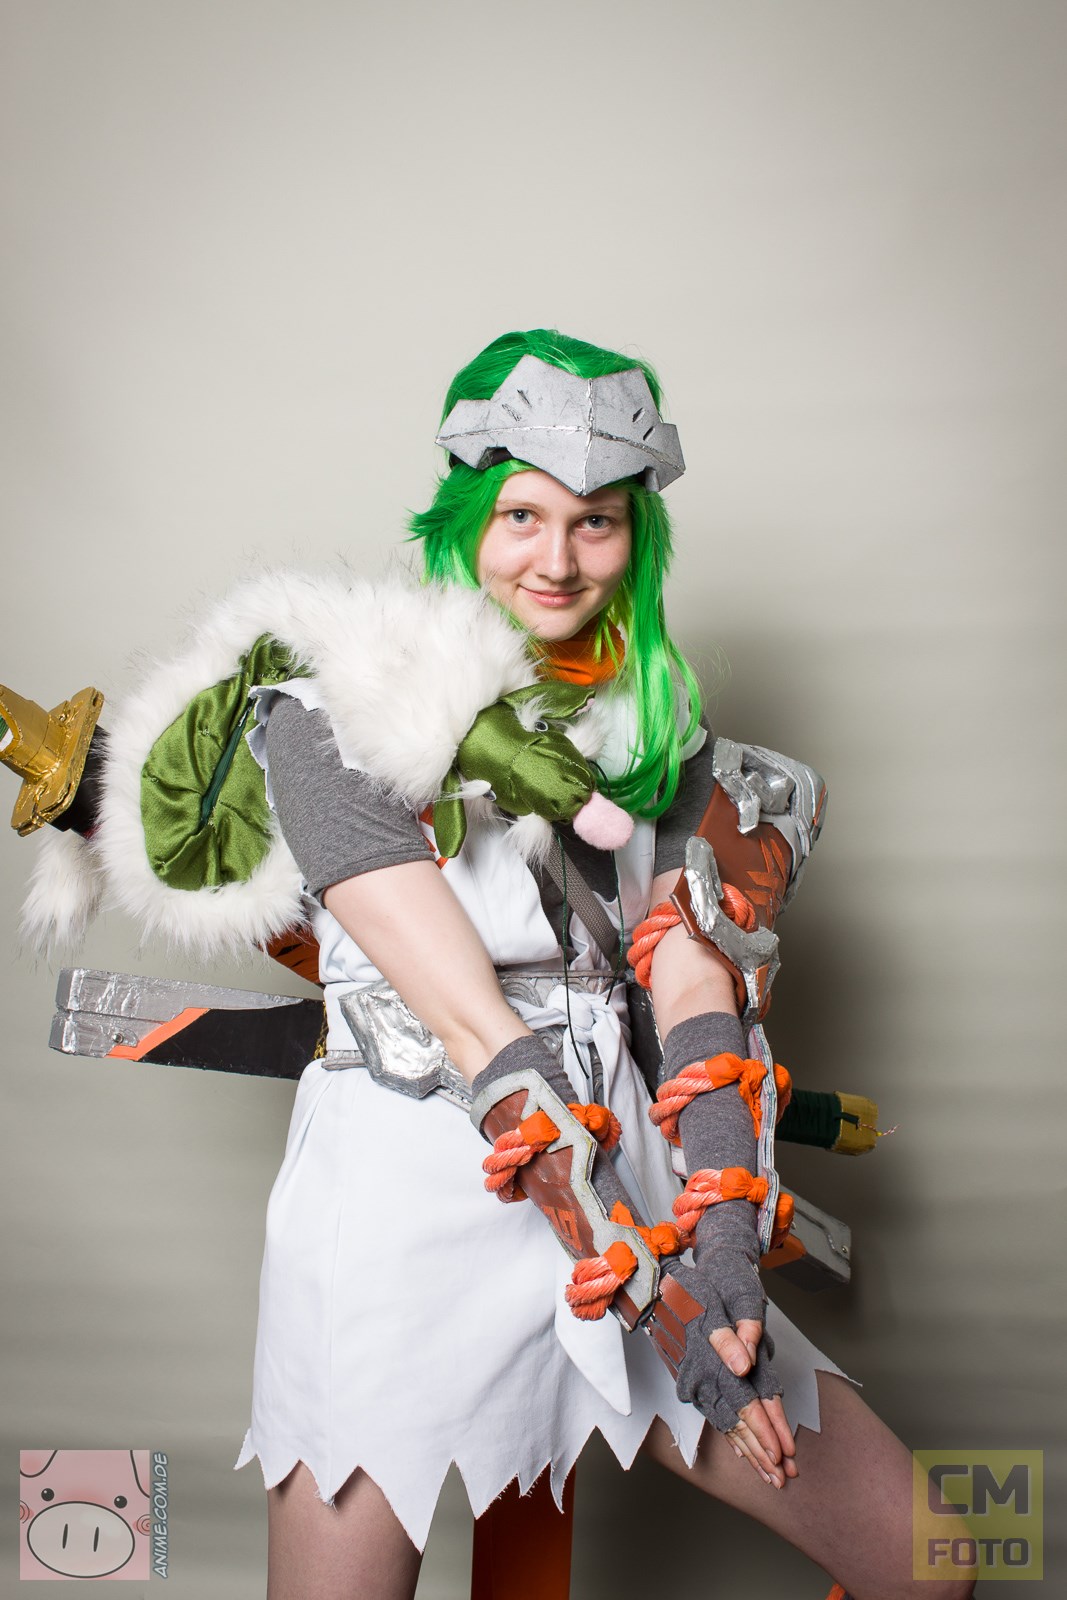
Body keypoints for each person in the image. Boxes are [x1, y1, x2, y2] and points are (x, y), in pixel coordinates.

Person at [36, 326, 969, 1600]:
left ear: (637, 538)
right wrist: (668, 1307)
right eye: (521, 515)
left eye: (596, 523)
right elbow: (480, 1035)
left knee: (939, 1555)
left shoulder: (660, 734)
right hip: (413, 1202)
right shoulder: (327, 709)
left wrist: (721, 1256)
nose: (556, 559)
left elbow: (695, 997)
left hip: (636, 1178)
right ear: (466, 516)